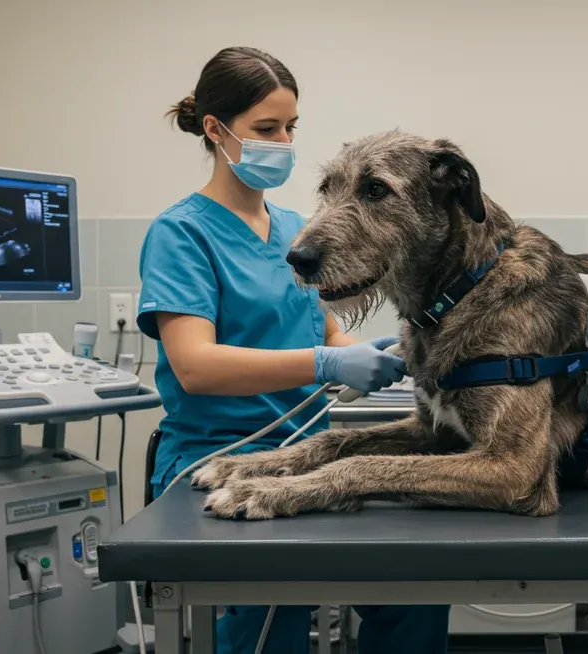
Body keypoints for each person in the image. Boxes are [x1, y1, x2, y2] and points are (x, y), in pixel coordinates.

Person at [135, 46, 451, 654]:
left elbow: (321, 327)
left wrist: (370, 353)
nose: (283, 141)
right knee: (268, 621)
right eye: (266, 129)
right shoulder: (181, 233)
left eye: (290, 127)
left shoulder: (291, 227)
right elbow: (194, 367)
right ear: (215, 129)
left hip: (304, 456)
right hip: (216, 457)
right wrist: (326, 365)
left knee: (413, 588)